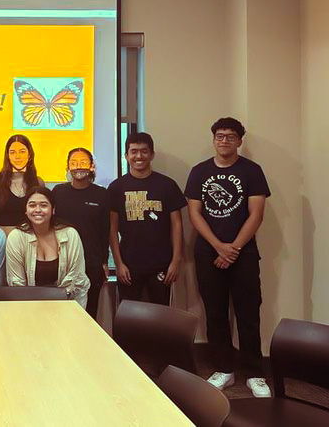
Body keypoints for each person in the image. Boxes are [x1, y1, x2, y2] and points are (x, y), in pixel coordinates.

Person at [184, 117, 271, 398]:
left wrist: (232, 248)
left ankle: (255, 373)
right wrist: (219, 246)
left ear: (239, 141)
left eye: (230, 137)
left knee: (248, 314)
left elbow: (256, 214)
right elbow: (194, 214)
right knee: (216, 313)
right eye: (220, 136)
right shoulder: (199, 172)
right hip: (208, 252)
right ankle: (223, 369)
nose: (224, 141)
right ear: (213, 139)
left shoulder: (252, 171)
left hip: (243, 253)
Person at [108, 132, 185, 306]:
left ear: (152, 155)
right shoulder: (116, 188)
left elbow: (177, 225)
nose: (139, 156)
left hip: (162, 264)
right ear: (126, 156)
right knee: (129, 318)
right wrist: (119, 264)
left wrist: (176, 260)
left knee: (161, 317)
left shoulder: (167, 185)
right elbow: (112, 229)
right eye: (134, 151)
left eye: (144, 151)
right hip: (128, 265)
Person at [5, 186, 90, 308]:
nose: (37, 210)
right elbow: (17, 284)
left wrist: (58, 305)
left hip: (67, 304)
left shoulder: (70, 234)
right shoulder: (16, 237)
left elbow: (76, 278)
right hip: (28, 306)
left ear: (53, 210)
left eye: (44, 205)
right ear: (26, 210)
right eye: (32, 205)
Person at [52, 148, 110, 319]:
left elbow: (105, 229)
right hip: (62, 259)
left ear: (92, 166)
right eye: (74, 163)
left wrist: (105, 262)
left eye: (83, 162)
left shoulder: (101, 194)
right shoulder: (58, 192)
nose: (79, 167)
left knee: (89, 311)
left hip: (92, 262)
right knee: (61, 311)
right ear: (68, 167)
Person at [0, 134, 44, 234]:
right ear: (7, 156)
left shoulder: (38, 182)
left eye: (22, 151)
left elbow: (44, 219)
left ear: (29, 154)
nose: (18, 156)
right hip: (4, 242)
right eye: (12, 152)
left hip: (31, 242)